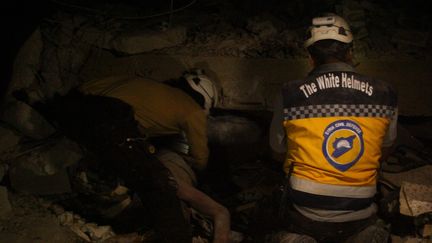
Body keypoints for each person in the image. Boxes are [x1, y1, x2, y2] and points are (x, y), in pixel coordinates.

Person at [15, 69, 230, 243]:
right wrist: (202, 175)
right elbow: (201, 158)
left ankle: (26, 182)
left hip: (73, 108)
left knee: (102, 168)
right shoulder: (191, 109)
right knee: (157, 184)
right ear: (205, 100)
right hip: (111, 120)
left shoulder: (149, 89)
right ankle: (175, 239)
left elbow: (87, 92)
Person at [267, 13, 398, 242]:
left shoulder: (290, 93)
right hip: (361, 208)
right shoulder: (385, 93)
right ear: (350, 51)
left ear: (310, 57)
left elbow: (277, 152)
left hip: (305, 210)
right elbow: (385, 149)